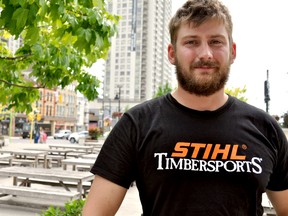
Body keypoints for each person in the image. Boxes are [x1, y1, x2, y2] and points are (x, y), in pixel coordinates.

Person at [83, 0, 288, 215]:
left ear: (232, 51)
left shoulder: (266, 128)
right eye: (191, 42)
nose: (206, 54)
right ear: (172, 53)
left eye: (216, 41)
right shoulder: (137, 124)